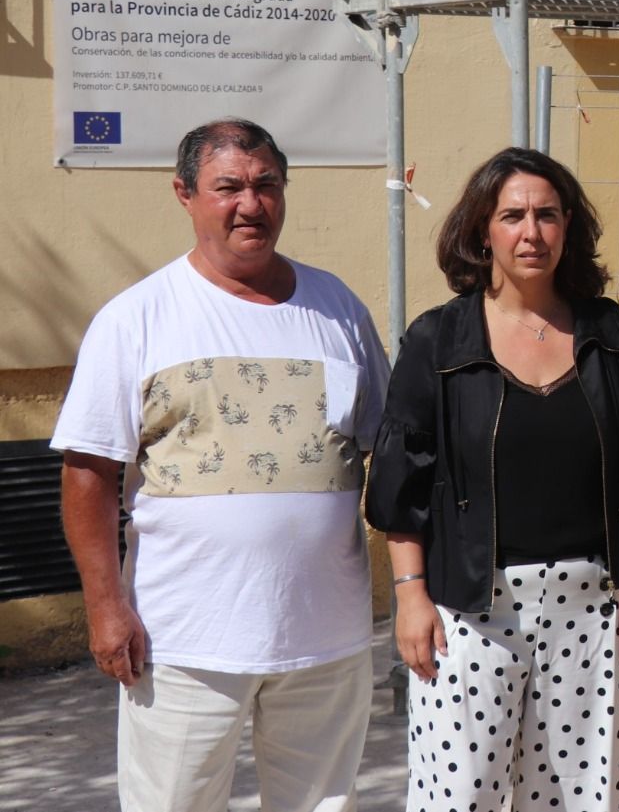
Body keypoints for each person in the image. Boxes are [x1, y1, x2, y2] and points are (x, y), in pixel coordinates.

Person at [53, 119, 391, 812]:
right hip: (182, 644)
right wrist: (105, 606)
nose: (251, 203)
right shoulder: (137, 318)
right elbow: (88, 472)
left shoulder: (339, 311)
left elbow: (389, 449)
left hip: (326, 638)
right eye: (228, 186)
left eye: (267, 185)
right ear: (184, 194)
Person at [366, 146, 619, 812]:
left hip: (592, 609)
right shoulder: (437, 340)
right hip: (469, 609)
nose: (530, 232)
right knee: (460, 796)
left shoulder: (610, 332)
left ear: (569, 227)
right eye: (512, 215)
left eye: (546, 215)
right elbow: (402, 484)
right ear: (484, 229)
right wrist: (411, 595)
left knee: (587, 798)